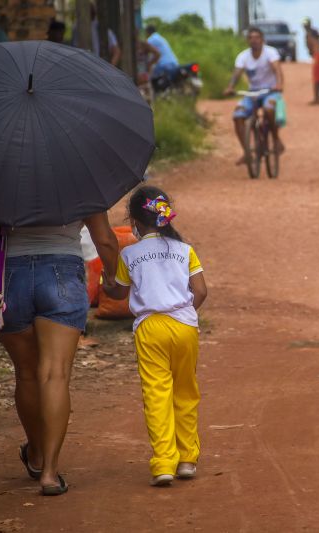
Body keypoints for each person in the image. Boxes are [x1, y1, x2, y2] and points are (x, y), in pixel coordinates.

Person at [1, 214, 121, 496]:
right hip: (62, 273)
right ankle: (50, 473)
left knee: (26, 374)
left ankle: (36, 454)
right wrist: (113, 277)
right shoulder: (78, 184)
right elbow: (105, 239)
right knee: (54, 374)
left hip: (9, 277)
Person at [102, 186, 208, 487]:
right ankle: (187, 460)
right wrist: (185, 314)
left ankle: (163, 463)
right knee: (185, 391)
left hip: (150, 329)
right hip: (184, 326)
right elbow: (200, 291)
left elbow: (120, 293)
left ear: (134, 221)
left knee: (156, 393)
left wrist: (108, 284)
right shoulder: (184, 250)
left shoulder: (129, 254)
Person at [223, 26, 285, 165]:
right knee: (238, 116)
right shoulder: (243, 56)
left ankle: (275, 139)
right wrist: (230, 87)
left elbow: (277, 69)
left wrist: (279, 84)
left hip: (270, 91)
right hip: (252, 93)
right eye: (251, 38)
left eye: (257, 37)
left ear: (262, 40)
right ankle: (247, 152)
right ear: (247, 40)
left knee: (269, 109)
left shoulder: (270, 53)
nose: (254, 40)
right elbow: (237, 73)